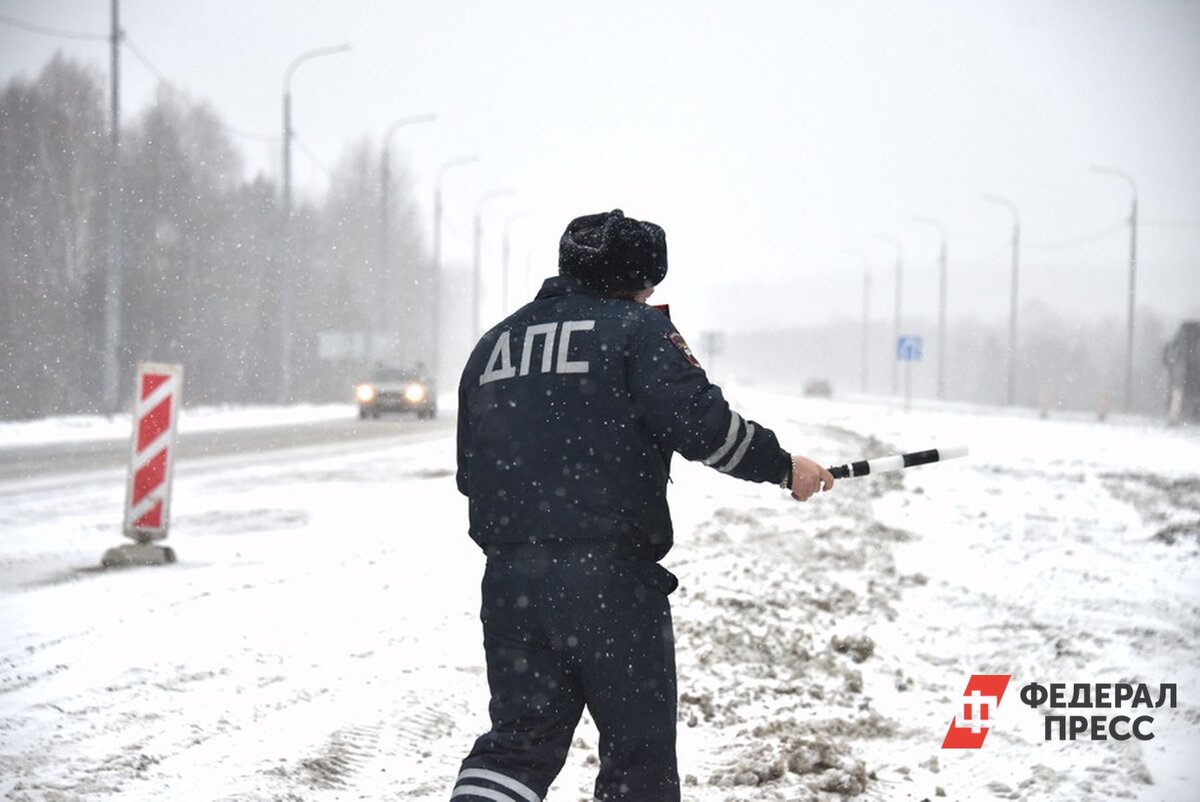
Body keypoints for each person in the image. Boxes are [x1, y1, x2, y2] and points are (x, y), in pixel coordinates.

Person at [450, 209, 835, 802]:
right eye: (651, 281)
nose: (653, 292)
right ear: (638, 278)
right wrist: (784, 467)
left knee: (518, 741)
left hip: (509, 581)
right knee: (637, 755)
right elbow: (706, 429)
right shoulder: (635, 330)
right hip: (609, 582)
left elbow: (471, 473)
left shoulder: (494, 343)